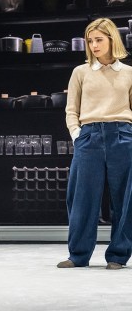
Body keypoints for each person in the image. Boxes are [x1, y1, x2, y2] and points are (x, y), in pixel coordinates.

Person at [58, 17, 132, 270]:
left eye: (99, 40)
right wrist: (77, 135)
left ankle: (118, 255)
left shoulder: (129, 73)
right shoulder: (81, 72)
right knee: (81, 198)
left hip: (123, 135)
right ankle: (78, 255)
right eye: (90, 41)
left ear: (112, 39)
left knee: (125, 199)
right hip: (89, 136)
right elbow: (71, 110)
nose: (94, 45)